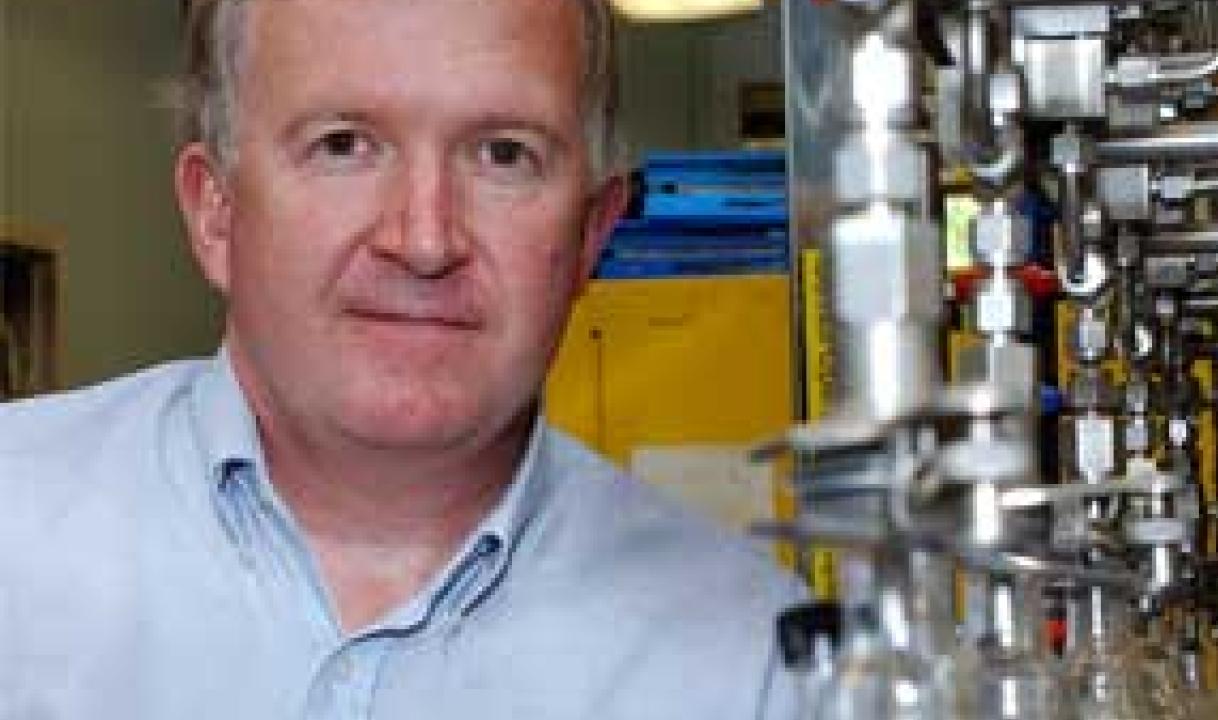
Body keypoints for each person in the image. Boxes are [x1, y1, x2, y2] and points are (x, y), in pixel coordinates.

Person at [0, 0, 803, 717]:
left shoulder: (759, 666)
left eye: (503, 155)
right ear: (216, 214)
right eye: (345, 145)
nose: (424, 241)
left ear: (593, 230)